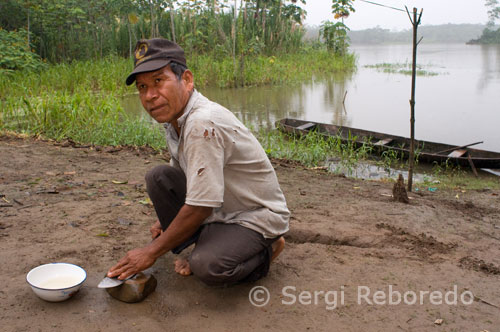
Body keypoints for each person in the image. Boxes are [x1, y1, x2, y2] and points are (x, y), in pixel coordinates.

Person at [107, 38, 289, 286]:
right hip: (221, 204)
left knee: (208, 266)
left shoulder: (202, 122)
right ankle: (208, 241)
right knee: (160, 177)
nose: (150, 96)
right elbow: (184, 173)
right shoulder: (175, 117)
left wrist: (150, 252)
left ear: (187, 80)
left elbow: (200, 207)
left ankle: (268, 248)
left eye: (159, 81)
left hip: (253, 214)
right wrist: (165, 219)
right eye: (142, 87)